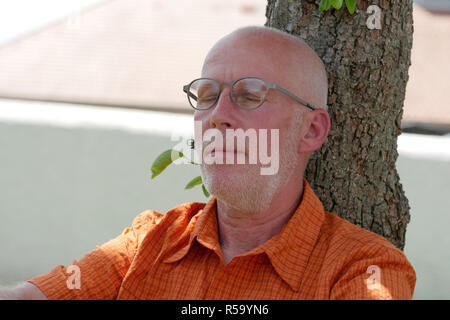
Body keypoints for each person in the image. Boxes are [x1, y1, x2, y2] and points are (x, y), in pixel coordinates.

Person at [0, 26, 416, 300]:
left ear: (311, 131)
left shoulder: (363, 269)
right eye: (206, 95)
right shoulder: (149, 242)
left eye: (250, 95)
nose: (218, 114)